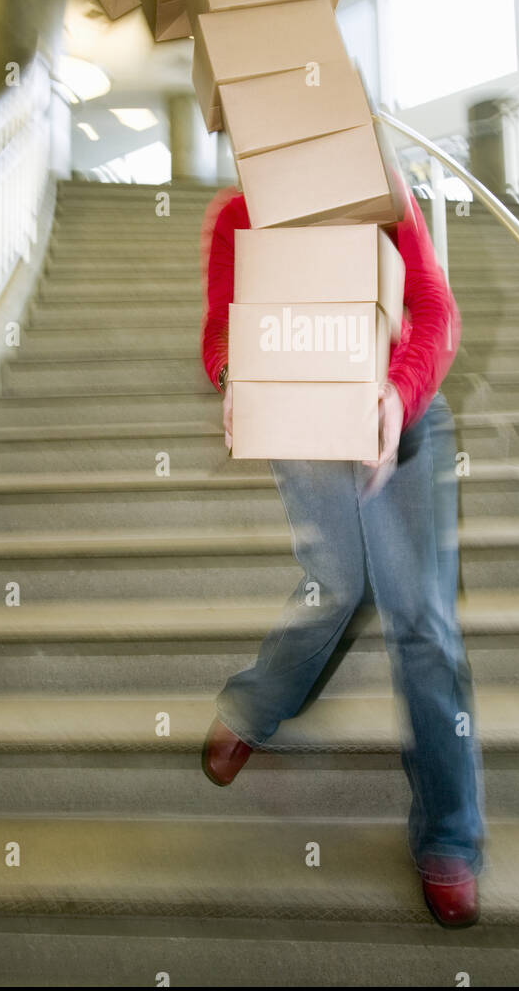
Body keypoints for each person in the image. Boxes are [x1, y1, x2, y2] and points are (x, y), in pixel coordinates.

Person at [198, 174, 486, 927]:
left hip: (401, 409)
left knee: (420, 617)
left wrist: (396, 394)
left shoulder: (385, 194)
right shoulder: (238, 213)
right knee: (335, 583)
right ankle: (254, 703)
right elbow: (221, 329)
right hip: (302, 420)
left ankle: (450, 837)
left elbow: (435, 311)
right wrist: (235, 374)